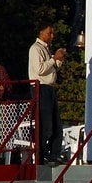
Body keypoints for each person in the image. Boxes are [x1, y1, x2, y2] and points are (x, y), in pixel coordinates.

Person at [28, 22, 66, 164]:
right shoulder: (35, 49)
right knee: (45, 123)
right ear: (41, 32)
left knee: (56, 123)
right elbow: (40, 70)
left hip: (49, 88)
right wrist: (53, 59)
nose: (52, 36)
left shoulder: (46, 49)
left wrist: (58, 60)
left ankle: (54, 153)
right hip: (40, 87)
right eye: (49, 33)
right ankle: (42, 153)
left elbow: (52, 68)